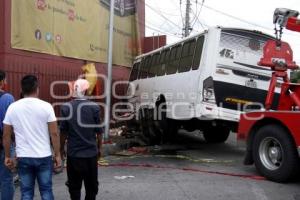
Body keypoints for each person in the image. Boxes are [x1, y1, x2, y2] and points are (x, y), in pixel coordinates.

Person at [2, 75, 61, 200]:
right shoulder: (46, 106)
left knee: (27, 193)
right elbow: (54, 133)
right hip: (43, 156)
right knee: (46, 192)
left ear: (22, 89)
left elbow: (6, 135)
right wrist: (57, 155)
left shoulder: (13, 107)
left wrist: (8, 156)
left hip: (23, 157)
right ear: (37, 88)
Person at [60, 79, 102, 200]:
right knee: (91, 187)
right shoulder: (94, 108)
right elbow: (99, 132)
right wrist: (99, 148)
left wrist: (61, 149)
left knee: (74, 187)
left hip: (74, 155)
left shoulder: (66, 108)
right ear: (86, 91)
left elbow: (63, 132)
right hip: (90, 155)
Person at [0, 70, 15, 200]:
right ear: (1, 82)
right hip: (3, 144)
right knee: (6, 179)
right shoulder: (8, 98)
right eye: (5, 80)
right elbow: (13, 125)